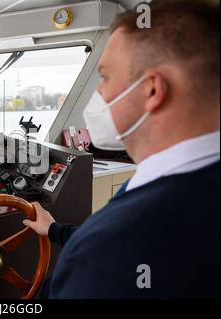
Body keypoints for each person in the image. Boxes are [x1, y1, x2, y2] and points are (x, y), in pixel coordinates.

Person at [23, 0, 220, 298]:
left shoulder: (110, 251)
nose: (98, 92)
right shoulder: (180, 186)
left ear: (152, 90)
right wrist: (56, 231)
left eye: (105, 76)